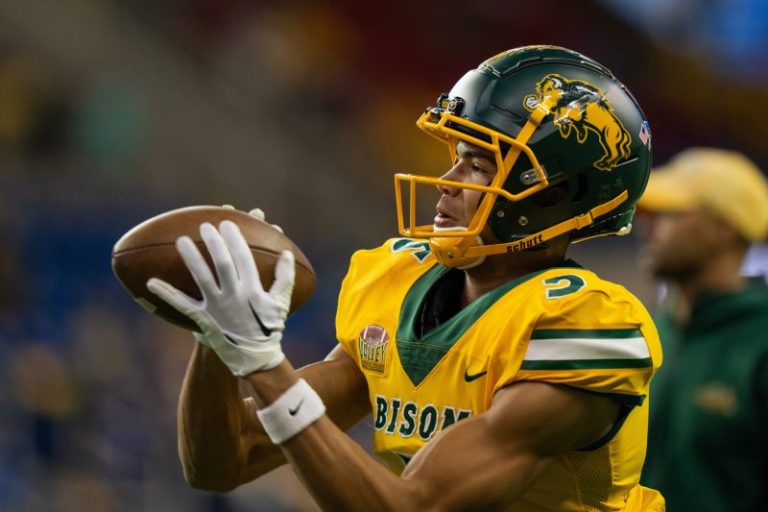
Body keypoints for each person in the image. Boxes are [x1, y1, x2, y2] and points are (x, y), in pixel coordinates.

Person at [146, 45, 665, 511]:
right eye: (457, 157)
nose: (448, 181)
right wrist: (217, 338)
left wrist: (263, 362)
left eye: (479, 165)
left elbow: (415, 505)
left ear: (553, 194)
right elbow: (223, 462)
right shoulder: (399, 281)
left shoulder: (583, 325)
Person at [636, 148, 768, 512]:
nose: (647, 225)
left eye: (670, 213)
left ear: (724, 229)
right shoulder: (647, 333)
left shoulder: (760, 343)